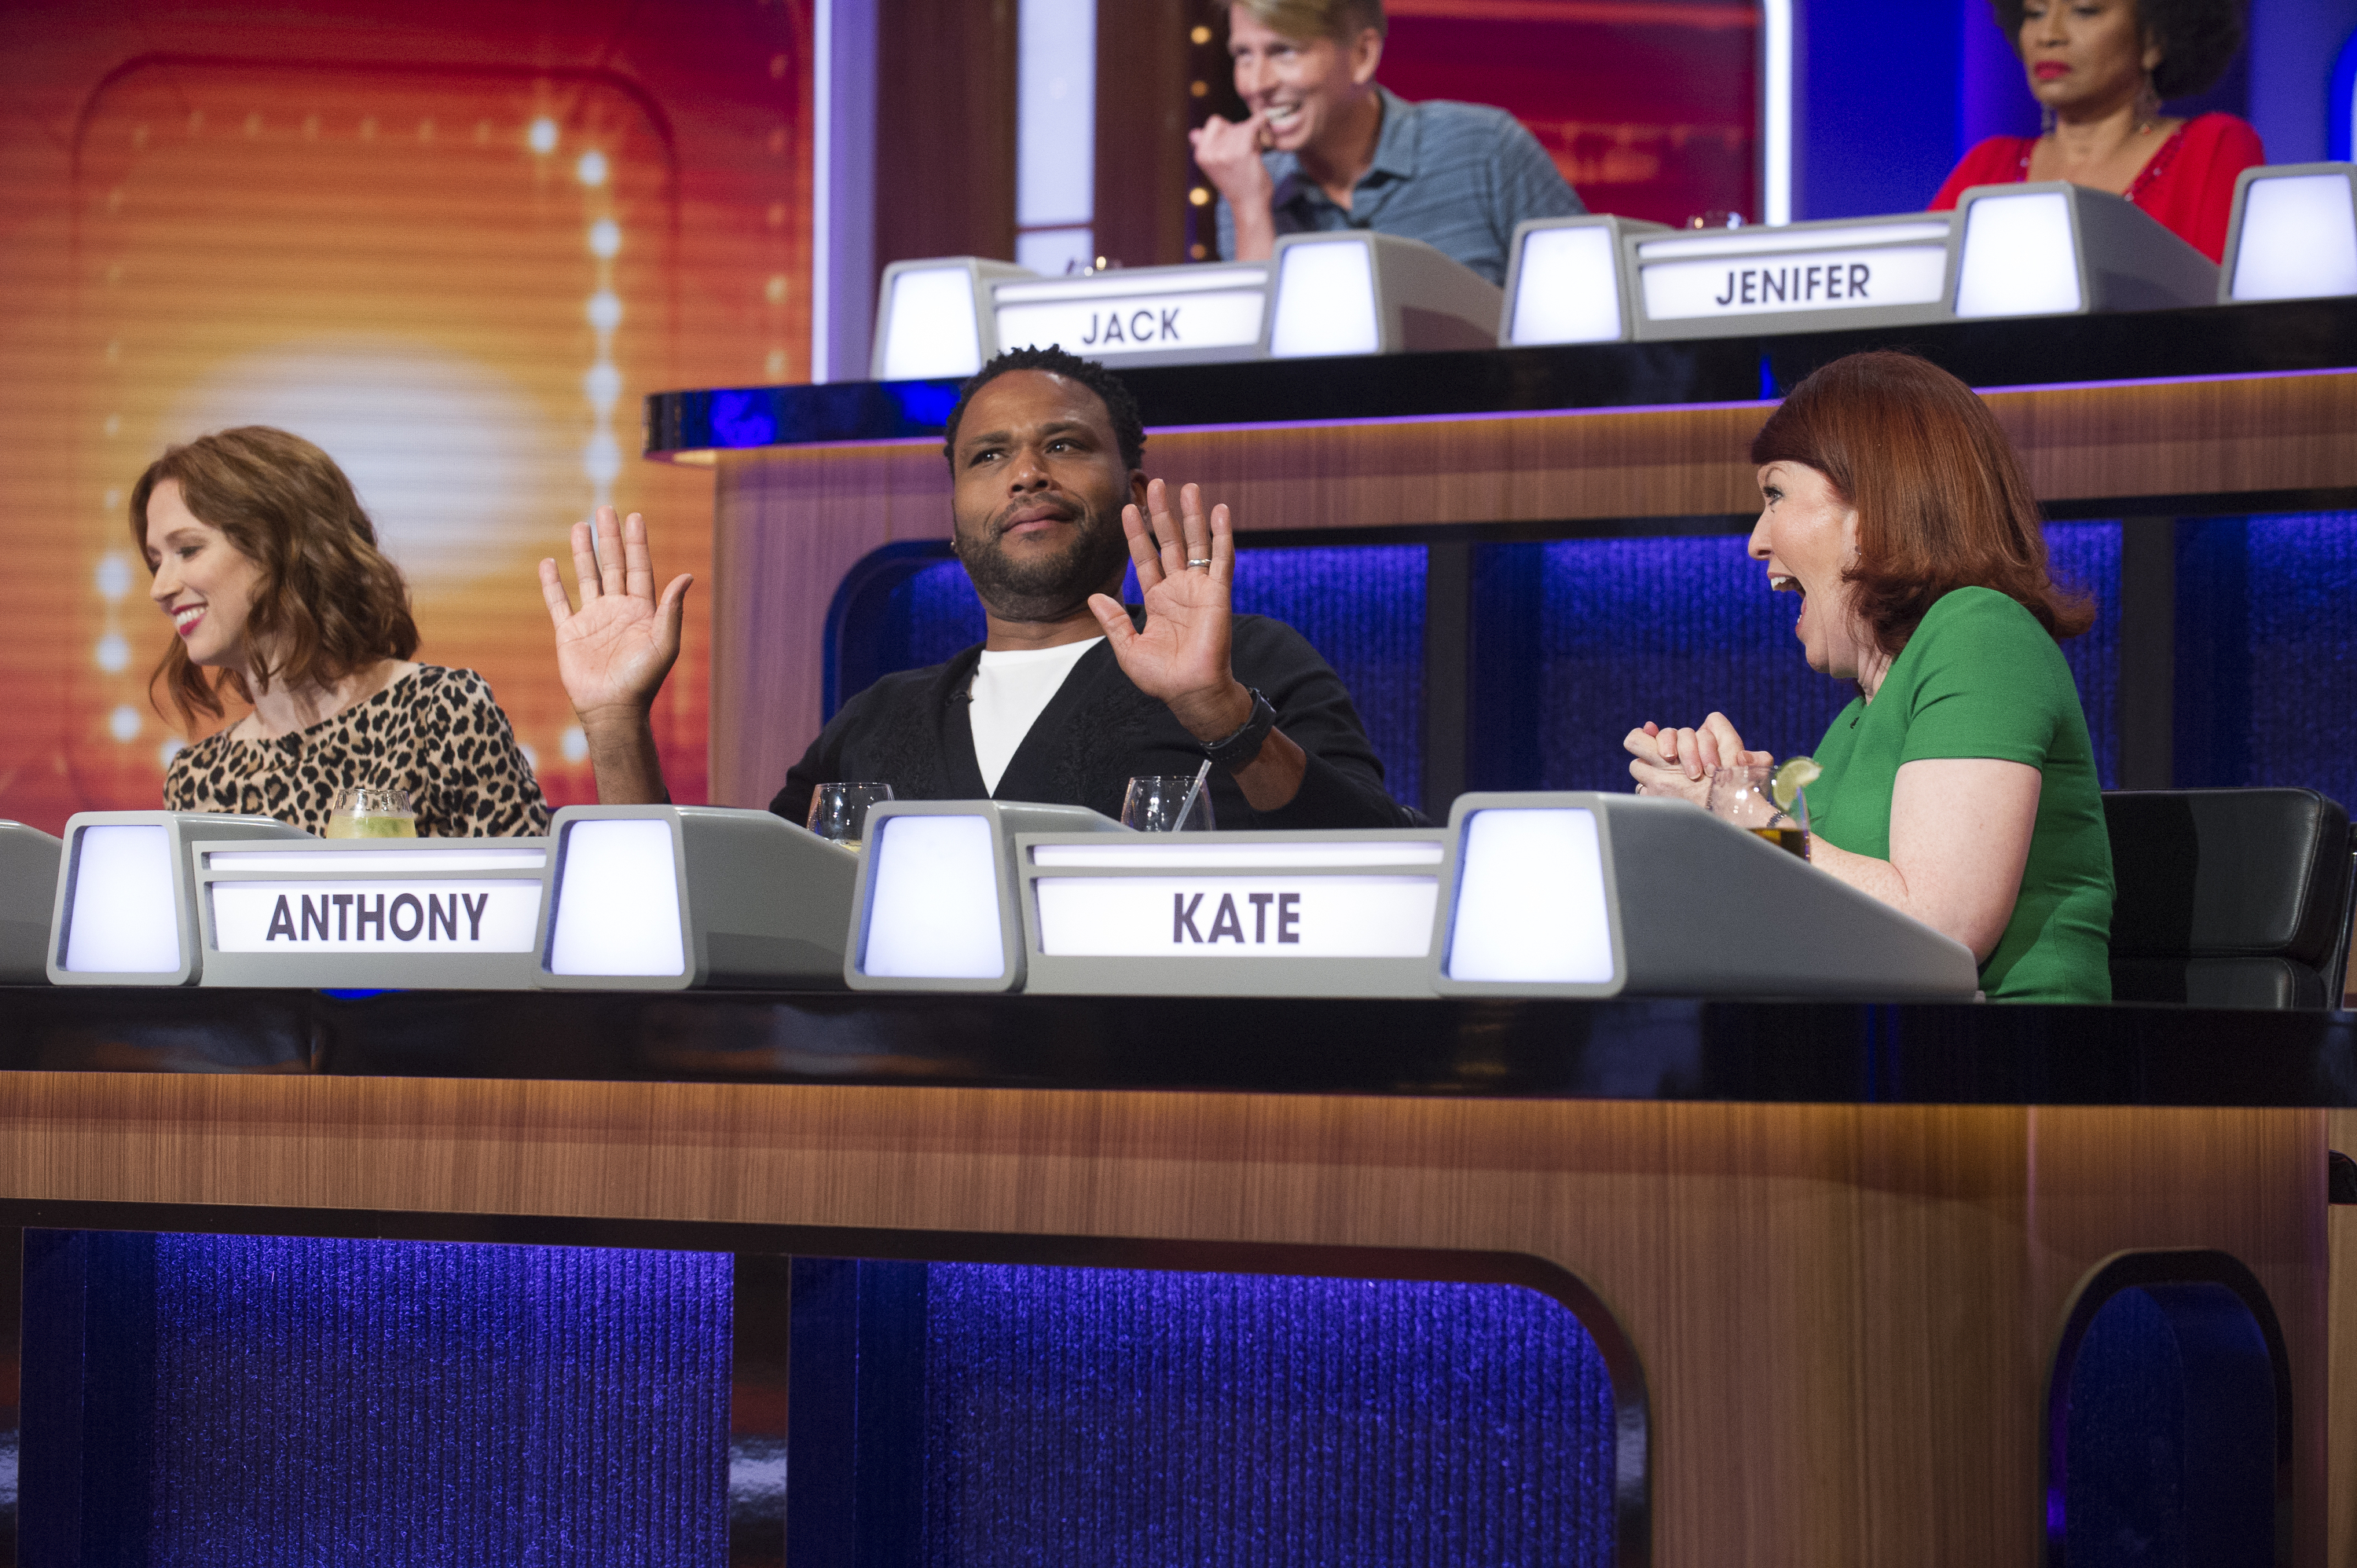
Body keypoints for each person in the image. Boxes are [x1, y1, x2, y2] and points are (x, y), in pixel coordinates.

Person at [545, 346, 1418, 831]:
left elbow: (1374, 863)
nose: (1028, 473)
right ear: (955, 520)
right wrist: (616, 725)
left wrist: (1222, 715)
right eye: (988, 456)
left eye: (1066, 445)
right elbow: (719, 918)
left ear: (1131, 483)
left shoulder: (1251, 665)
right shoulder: (880, 719)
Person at [1625, 352, 2115, 1003]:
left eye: (1776, 495)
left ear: (1876, 503)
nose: (1755, 540)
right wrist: (1725, 808)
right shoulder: (1857, 717)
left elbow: (1940, 928)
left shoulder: (1982, 633)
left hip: (2010, 1077)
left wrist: (1739, 815)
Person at [138, 426, 549, 838]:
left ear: (280, 544)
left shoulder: (439, 713)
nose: (160, 588)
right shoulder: (196, 780)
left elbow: (529, 895)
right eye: (156, 562)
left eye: (188, 550)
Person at [1190, 0, 1584, 286]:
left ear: (1363, 54)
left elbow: (1590, 314)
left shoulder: (1487, 150)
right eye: (1243, 55)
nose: (1256, 84)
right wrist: (1250, 208)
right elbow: (1266, 385)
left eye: (1285, 51)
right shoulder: (1250, 192)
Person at [1930, 0, 2262, 263]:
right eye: (2036, 12)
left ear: (2154, 40)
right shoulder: (1987, 165)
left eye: (2084, 10)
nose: (2049, 34)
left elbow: (2228, 323)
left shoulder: (2212, 147)